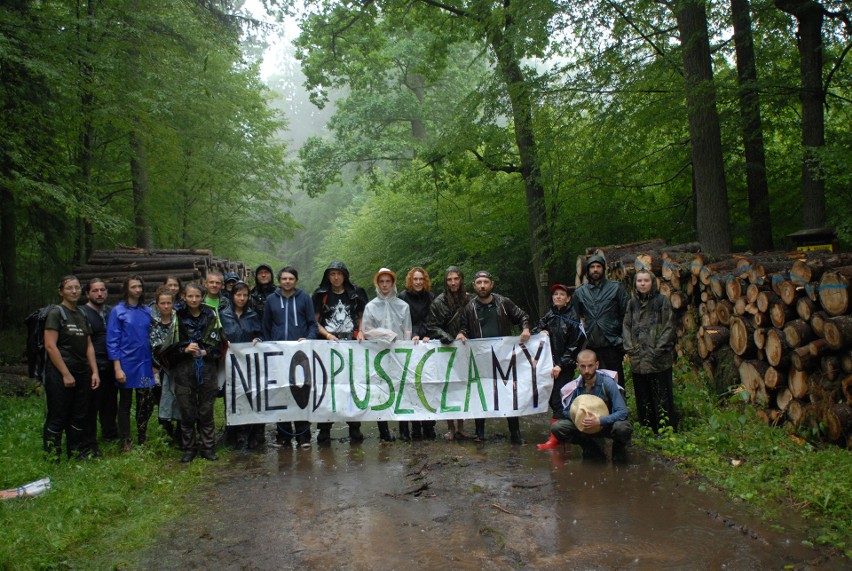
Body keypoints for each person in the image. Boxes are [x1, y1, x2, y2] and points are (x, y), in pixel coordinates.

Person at [456, 270, 531, 444]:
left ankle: (515, 432)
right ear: (474, 286)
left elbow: (522, 316)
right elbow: (464, 327)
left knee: (507, 393)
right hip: (480, 357)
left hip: (503, 357)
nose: (482, 285)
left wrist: (525, 328)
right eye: (479, 282)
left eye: (485, 282)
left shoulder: (503, 302)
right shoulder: (469, 307)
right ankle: (480, 433)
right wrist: (461, 333)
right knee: (480, 393)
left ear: (492, 284)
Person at [159, 283, 226, 462]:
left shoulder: (211, 314)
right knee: (187, 411)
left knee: (206, 410)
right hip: (184, 369)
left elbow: (220, 345)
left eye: (197, 296)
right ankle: (189, 447)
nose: (194, 300)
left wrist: (206, 352)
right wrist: (184, 349)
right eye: (190, 296)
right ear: (184, 297)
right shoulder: (177, 317)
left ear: (202, 297)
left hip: (207, 369)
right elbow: (169, 348)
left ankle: (208, 447)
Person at [42, 275, 100, 461]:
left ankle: (75, 451)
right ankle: (53, 455)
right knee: (59, 413)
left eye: (76, 288)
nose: (74, 291)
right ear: (61, 291)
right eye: (69, 288)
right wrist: (65, 374)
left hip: (82, 370)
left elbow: (88, 345)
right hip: (60, 372)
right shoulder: (56, 313)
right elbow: (50, 346)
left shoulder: (82, 314)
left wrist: (94, 371)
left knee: (79, 414)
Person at [312, 261, 369, 443]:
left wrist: (361, 330)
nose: (336, 277)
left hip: (353, 346)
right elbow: (315, 320)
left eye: (339, 273)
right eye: (332, 274)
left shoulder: (356, 293)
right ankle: (324, 428)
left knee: (353, 386)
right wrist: (327, 335)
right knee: (327, 387)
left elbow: (363, 315)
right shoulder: (321, 295)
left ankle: (354, 427)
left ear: (345, 275)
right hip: (327, 347)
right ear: (327, 276)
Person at [263, 266, 318, 448]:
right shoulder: (271, 300)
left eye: (291, 278)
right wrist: (268, 343)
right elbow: (266, 325)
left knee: (301, 390)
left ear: (296, 280)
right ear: (279, 280)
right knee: (281, 391)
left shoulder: (304, 298)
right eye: (284, 278)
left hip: (299, 353)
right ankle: (283, 436)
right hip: (278, 353)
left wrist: (308, 339)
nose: (287, 281)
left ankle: (304, 436)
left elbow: (312, 324)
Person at [359, 268, 413, 442]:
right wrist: (387, 334)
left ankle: (404, 431)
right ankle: (384, 432)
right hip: (378, 354)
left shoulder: (403, 306)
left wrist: (407, 348)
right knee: (380, 390)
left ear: (393, 283)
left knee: (401, 390)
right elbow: (366, 330)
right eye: (381, 282)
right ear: (377, 284)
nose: (384, 285)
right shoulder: (371, 306)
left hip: (399, 354)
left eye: (387, 281)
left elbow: (407, 330)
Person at [550, 349, 633, 460]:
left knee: (622, 428)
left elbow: (623, 412)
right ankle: (589, 445)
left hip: (607, 425)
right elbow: (565, 411)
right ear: (577, 366)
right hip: (585, 426)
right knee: (558, 427)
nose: (587, 370)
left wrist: (599, 421)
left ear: (597, 365)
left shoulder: (607, 383)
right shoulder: (575, 386)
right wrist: (579, 416)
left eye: (590, 366)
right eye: (583, 366)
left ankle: (618, 448)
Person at [622, 268, 678, 432]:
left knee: (662, 395)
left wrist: (658, 349)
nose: (643, 283)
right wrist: (630, 348)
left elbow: (669, 327)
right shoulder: (632, 303)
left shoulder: (662, 301)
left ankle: (666, 429)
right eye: (639, 281)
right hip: (638, 359)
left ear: (652, 282)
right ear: (635, 283)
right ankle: (647, 427)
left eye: (646, 280)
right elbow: (626, 326)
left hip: (659, 360)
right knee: (643, 395)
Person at [106, 275, 156, 452]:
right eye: (134, 286)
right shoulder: (118, 311)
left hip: (143, 365)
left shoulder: (145, 310)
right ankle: (125, 439)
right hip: (126, 365)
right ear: (126, 289)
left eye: (140, 286)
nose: (137, 289)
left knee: (144, 401)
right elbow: (112, 340)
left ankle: (142, 435)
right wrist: (117, 367)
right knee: (125, 402)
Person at [533, 284, 585, 450]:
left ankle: (556, 438)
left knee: (558, 399)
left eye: (561, 294)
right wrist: (541, 331)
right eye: (555, 294)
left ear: (568, 298)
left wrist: (561, 365)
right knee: (551, 398)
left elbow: (575, 345)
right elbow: (536, 329)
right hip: (548, 365)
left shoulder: (573, 318)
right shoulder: (550, 315)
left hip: (564, 366)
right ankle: (562, 434)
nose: (558, 297)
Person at [572, 253, 629, 387]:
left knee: (616, 382)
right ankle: (598, 408)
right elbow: (575, 318)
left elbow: (626, 315)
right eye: (592, 267)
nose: (595, 269)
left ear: (603, 269)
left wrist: (622, 339)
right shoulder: (580, 292)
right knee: (595, 383)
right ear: (588, 270)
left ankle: (618, 408)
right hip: (592, 344)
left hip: (612, 342)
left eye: (598, 266)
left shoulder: (616, 287)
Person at [426, 265, 470, 441]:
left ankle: (461, 427)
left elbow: (472, 320)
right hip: (444, 350)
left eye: (456, 279)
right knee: (447, 388)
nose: (453, 282)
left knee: (462, 386)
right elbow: (431, 326)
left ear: (461, 280)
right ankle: (450, 428)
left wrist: (463, 332)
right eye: (449, 279)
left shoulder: (468, 300)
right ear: (446, 281)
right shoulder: (438, 302)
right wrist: (447, 336)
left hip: (464, 348)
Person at [220, 281, 265, 449]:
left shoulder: (253, 315)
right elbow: (217, 336)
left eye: (245, 295)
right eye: (238, 295)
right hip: (230, 365)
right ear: (233, 296)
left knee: (252, 396)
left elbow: (261, 334)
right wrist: (224, 342)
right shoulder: (223, 315)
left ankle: (253, 433)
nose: (242, 298)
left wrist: (258, 339)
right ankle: (236, 434)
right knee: (232, 397)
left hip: (251, 364)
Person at [79, 278, 117, 451]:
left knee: (110, 403)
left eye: (102, 290)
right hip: (92, 366)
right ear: (87, 293)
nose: (100, 294)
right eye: (95, 290)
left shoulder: (111, 312)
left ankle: (110, 434)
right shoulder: (82, 313)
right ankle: (89, 442)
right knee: (91, 405)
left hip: (112, 363)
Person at [398, 267, 436, 440]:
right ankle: (415, 427)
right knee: (410, 385)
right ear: (410, 281)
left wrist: (428, 333)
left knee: (427, 384)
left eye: (421, 279)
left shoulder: (430, 297)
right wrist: (411, 333)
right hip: (409, 345)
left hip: (427, 344)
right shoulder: (402, 297)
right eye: (415, 279)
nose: (419, 282)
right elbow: (400, 320)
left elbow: (433, 318)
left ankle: (429, 425)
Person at [150, 287, 181, 445]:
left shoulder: (180, 320)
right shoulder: (152, 323)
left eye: (169, 303)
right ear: (157, 304)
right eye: (162, 303)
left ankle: (181, 432)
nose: (166, 306)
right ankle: (166, 432)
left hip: (179, 366)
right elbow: (152, 345)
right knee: (163, 398)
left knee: (180, 398)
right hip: (159, 368)